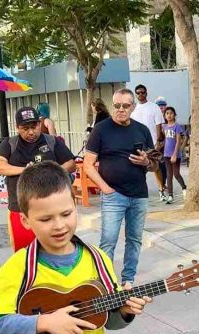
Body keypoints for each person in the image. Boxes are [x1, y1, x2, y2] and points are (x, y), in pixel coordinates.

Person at [0, 161, 152, 334]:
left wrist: (123, 311)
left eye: (66, 214)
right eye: (46, 219)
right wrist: (45, 322)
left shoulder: (99, 260)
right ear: (25, 220)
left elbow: (104, 320)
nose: (59, 225)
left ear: (75, 205)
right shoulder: (17, 268)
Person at [83, 88, 157, 289]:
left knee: (134, 240)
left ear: (133, 107)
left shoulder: (141, 130)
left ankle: (128, 281)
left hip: (139, 194)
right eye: (117, 106)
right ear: (112, 105)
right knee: (108, 241)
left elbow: (155, 165)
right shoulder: (101, 129)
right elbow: (88, 164)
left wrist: (146, 162)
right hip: (113, 195)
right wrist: (105, 189)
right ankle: (106, 283)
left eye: (125, 106)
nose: (121, 110)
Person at [0, 107, 76, 251]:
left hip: (51, 208)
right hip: (19, 208)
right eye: (25, 128)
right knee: (23, 252)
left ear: (40, 123)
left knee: (54, 250)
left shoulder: (52, 141)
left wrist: (49, 171)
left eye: (34, 127)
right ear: (17, 127)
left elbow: (71, 164)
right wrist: (26, 171)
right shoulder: (10, 143)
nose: (31, 132)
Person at [131, 84, 166, 200]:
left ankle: (162, 190)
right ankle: (139, 192)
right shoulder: (133, 109)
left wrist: (157, 141)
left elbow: (158, 125)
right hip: (137, 144)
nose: (140, 94)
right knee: (139, 168)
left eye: (142, 92)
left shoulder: (154, 107)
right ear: (135, 94)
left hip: (152, 143)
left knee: (156, 168)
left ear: (146, 93)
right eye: (138, 93)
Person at [162, 106, 186, 204]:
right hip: (166, 154)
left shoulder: (177, 126)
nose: (169, 115)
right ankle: (170, 195)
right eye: (167, 113)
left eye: (171, 113)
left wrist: (175, 154)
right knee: (169, 175)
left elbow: (178, 141)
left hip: (175, 154)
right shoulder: (164, 127)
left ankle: (184, 188)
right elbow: (164, 140)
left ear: (174, 115)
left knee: (176, 173)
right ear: (165, 115)